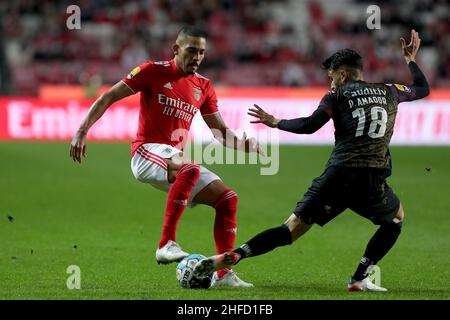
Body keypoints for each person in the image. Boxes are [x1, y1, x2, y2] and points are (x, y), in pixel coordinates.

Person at [194, 30, 430, 291]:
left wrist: (276, 122)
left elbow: (309, 125)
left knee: (290, 229)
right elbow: (422, 89)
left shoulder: (337, 96)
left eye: (331, 78)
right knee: (395, 219)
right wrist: (410, 59)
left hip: (337, 175)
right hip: (371, 178)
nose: (330, 84)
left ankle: (236, 255)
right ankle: (359, 278)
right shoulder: (389, 92)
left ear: (343, 74)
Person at [69, 26, 261, 287]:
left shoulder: (203, 86)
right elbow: (109, 96)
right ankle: (165, 244)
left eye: (202, 52)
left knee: (228, 199)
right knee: (189, 169)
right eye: (192, 50)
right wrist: (82, 130)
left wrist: (243, 146)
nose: (197, 57)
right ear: (176, 49)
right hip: (146, 152)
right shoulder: (152, 71)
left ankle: (223, 273)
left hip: (174, 159)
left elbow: (220, 132)